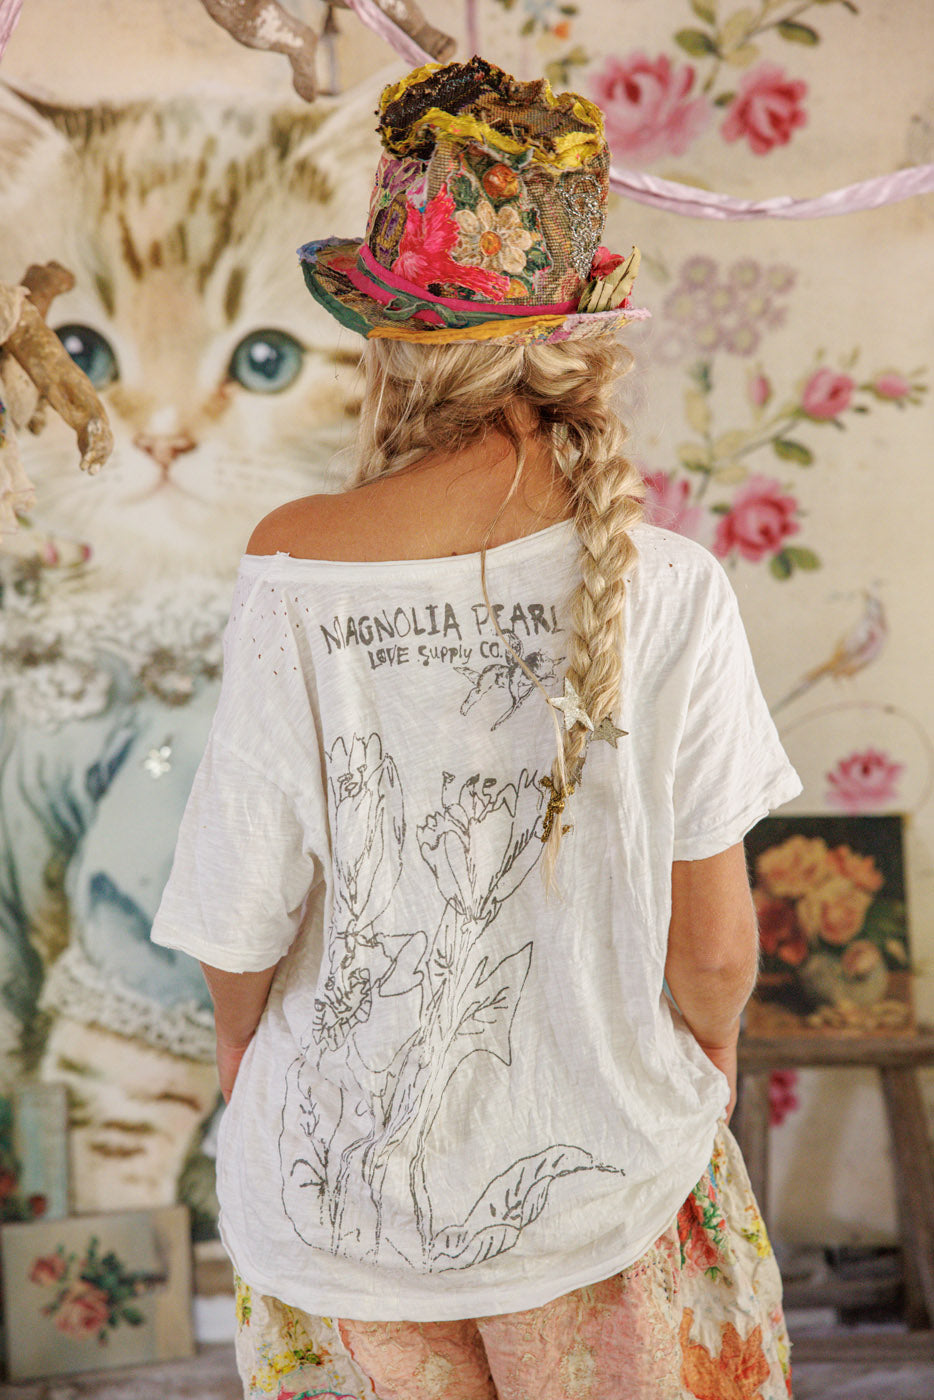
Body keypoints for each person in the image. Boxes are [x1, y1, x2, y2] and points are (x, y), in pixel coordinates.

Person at [152, 57, 801, 1400]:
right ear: (577, 329)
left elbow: (238, 909)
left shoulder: (294, 562)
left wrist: (238, 1052)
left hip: (339, 1207)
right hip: (609, 1182)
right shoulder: (672, 583)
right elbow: (713, 950)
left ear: (390, 333)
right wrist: (714, 1049)